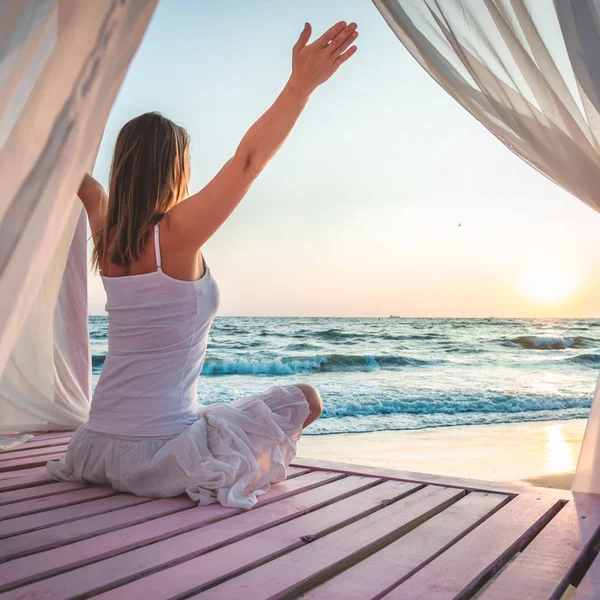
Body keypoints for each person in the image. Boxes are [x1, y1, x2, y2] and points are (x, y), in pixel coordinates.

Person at [46, 21, 359, 509]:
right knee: (307, 397)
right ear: (176, 169)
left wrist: (35, 110)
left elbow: (78, 178)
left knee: (212, 415)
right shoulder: (174, 233)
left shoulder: (107, 235)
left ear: (123, 167)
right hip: (157, 458)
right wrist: (300, 85)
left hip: (94, 449)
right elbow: (248, 162)